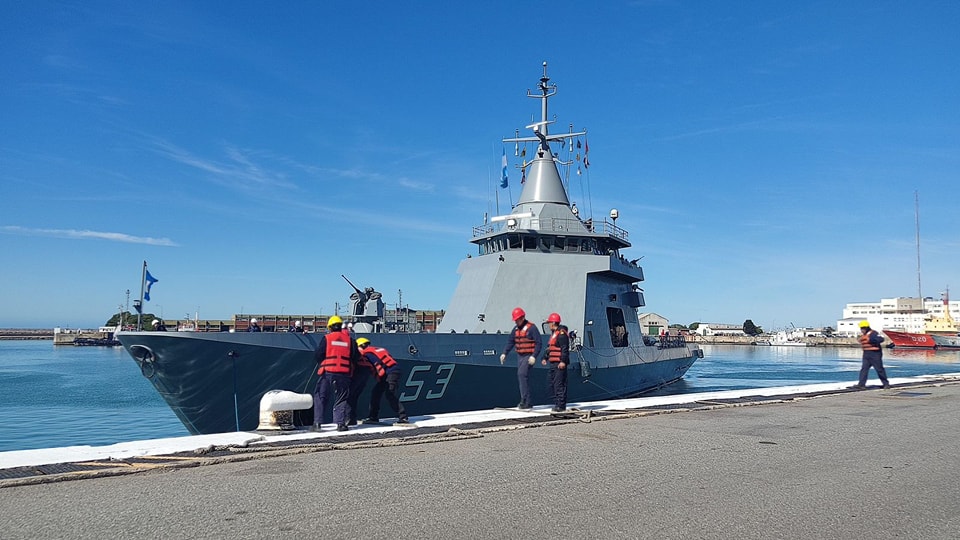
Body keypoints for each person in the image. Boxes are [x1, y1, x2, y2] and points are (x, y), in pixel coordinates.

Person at [312, 315, 360, 431]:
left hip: (328, 372)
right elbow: (356, 356)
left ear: (330, 327)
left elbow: (319, 354)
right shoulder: (350, 340)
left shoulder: (327, 338)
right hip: (344, 373)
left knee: (320, 396)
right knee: (341, 398)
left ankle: (317, 423)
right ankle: (340, 424)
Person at [358, 338, 409, 424]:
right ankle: (373, 416)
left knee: (389, 393)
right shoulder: (377, 350)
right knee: (376, 393)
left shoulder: (367, 354)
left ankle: (403, 416)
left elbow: (370, 365)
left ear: (361, 346)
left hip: (390, 373)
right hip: (390, 372)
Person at [500, 307, 542, 410]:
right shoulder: (515, 330)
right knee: (521, 377)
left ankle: (525, 400)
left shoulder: (532, 328)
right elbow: (511, 342)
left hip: (528, 355)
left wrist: (534, 356)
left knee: (522, 374)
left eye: (517, 319)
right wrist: (504, 353)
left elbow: (539, 343)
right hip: (520, 356)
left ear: (522, 318)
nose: (516, 321)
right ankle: (526, 400)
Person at [540, 313, 569, 412]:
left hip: (559, 364)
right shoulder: (554, 334)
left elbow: (564, 349)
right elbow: (550, 348)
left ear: (553, 323)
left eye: (549, 323)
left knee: (559, 385)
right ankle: (557, 403)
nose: (548, 325)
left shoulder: (561, 334)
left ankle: (561, 406)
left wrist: (563, 361)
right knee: (552, 384)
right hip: (553, 364)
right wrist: (545, 358)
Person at [346, 337, 376, 426]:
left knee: (348, 397)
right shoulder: (367, 355)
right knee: (354, 397)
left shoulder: (358, 353)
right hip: (365, 374)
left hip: (358, 372)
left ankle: (348, 418)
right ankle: (352, 418)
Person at [853, 320, 890, 389]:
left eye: (863, 328)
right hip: (866, 354)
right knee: (864, 369)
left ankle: (886, 384)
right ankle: (861, 384)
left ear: (866, 328)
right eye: (861, 328)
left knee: (879, 369)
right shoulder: (864, 335)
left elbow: (881, 339)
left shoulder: (873, 333)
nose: (861, 330)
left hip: (875, 354)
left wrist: (870, 340)